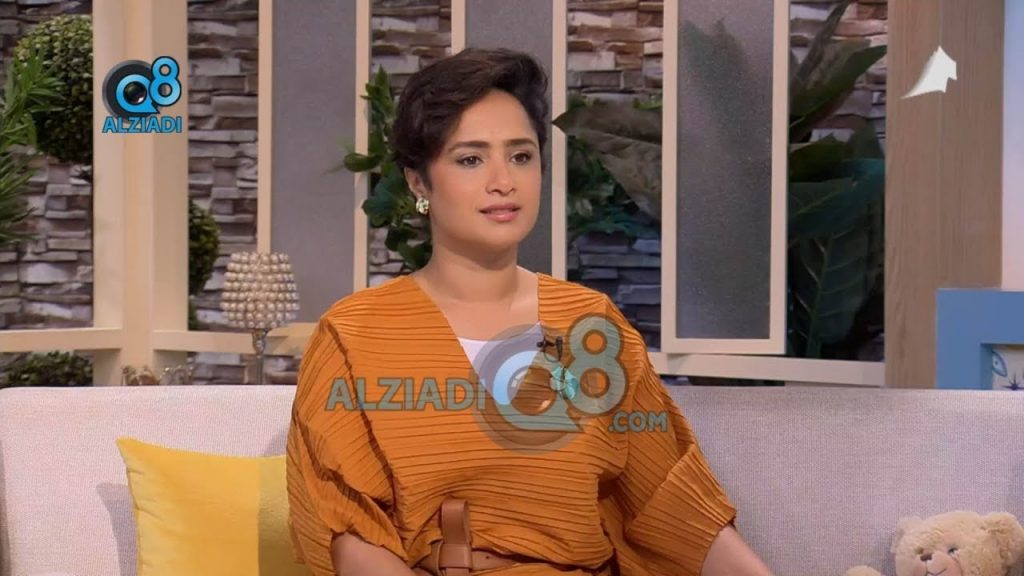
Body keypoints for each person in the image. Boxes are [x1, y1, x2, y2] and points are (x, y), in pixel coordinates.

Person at [286, 47, 774, 576]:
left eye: (520, 156)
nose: (504, 181)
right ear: (418, 181)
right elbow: (349, 530)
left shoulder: (592, 324)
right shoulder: (355, 334)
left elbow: (673, 504)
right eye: (471, 159)